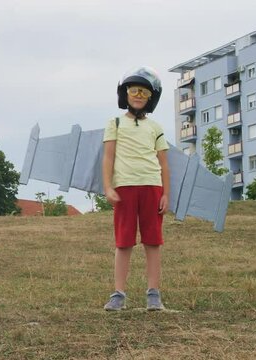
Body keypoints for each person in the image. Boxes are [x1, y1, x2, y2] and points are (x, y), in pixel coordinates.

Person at [102, 66, 170, 311]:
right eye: (134, 90)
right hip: (125, 188)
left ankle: (154, 294)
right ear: (125, 93)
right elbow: (108, 157)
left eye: (144, 92)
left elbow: (163, 163)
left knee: (153, 241)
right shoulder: (115, 123)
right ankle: (118, 294)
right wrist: (108, 186)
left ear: (151, 97)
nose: (139, 95)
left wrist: (166, 194)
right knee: (124, 242)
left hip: (152, 187)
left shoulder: (156, 127)